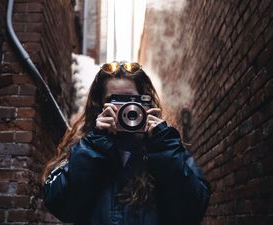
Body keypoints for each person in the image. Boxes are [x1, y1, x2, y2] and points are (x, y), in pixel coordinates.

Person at [42, 61, 211, 225]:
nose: (125, 110)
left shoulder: (164, 145)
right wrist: (95, 145)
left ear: (146, 103)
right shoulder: (85, 145)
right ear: (100, 106)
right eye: (115, 101)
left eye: (130, 100)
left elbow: (193, 211)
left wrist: (163, 147)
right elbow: (59, 205)